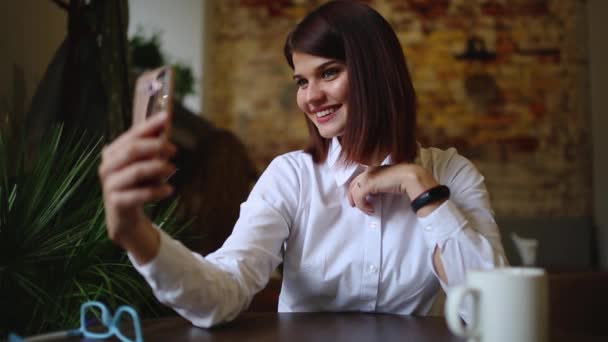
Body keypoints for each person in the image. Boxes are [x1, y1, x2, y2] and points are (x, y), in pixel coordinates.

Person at [98, 0, 507, 328]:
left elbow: (493, 311)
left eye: (328, 73)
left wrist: (416, 181)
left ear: (375, 74)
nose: (310, 98)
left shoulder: (451, 175)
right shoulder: (291, 177)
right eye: (301, 81)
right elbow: (222, 293)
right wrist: (138, 235)